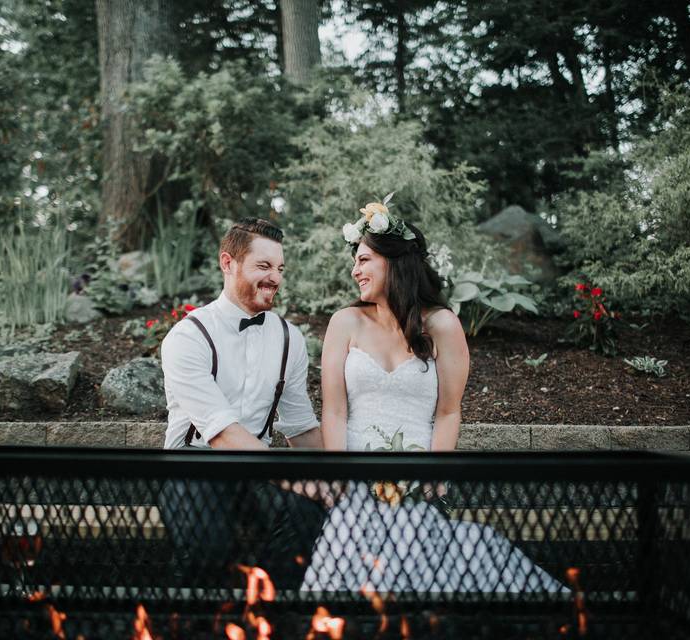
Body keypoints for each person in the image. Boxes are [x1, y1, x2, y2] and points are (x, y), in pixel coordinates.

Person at [302, 196, 564, 593]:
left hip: (417, 483)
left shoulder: (442, 325)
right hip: (353, 484)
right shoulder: (345, 322)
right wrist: (339, 479)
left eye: (364, 260)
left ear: (395, 261)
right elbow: (335, 411)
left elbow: (447, 412)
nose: (355, 270)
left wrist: (435, 475)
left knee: (417, 582)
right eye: (355, 261)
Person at [158, 218, 325, 589]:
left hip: (258, 472)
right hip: (194, 464)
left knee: (305, 514)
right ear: (228, 263)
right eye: (263, 267)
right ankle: (188, 621)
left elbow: (300, 427)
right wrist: (296, 479)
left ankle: (269, 611)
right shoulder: (187, 337)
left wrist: (332, 479)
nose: (275, 278)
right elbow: (221, 435)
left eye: (280, 268)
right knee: (207, 543)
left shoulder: (289, 338)